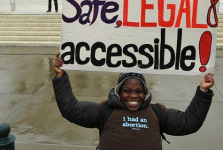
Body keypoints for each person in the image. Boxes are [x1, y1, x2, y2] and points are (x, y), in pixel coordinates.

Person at [52, 54, 214, 150]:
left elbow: (188, 123)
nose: (134, 95)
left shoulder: (158, 112)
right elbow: (71, 110)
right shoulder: (104, 110)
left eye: (139, 91)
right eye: (128, 91)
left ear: (145, 92)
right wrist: (60, 77)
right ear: (119, 91)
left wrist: (203, 92)